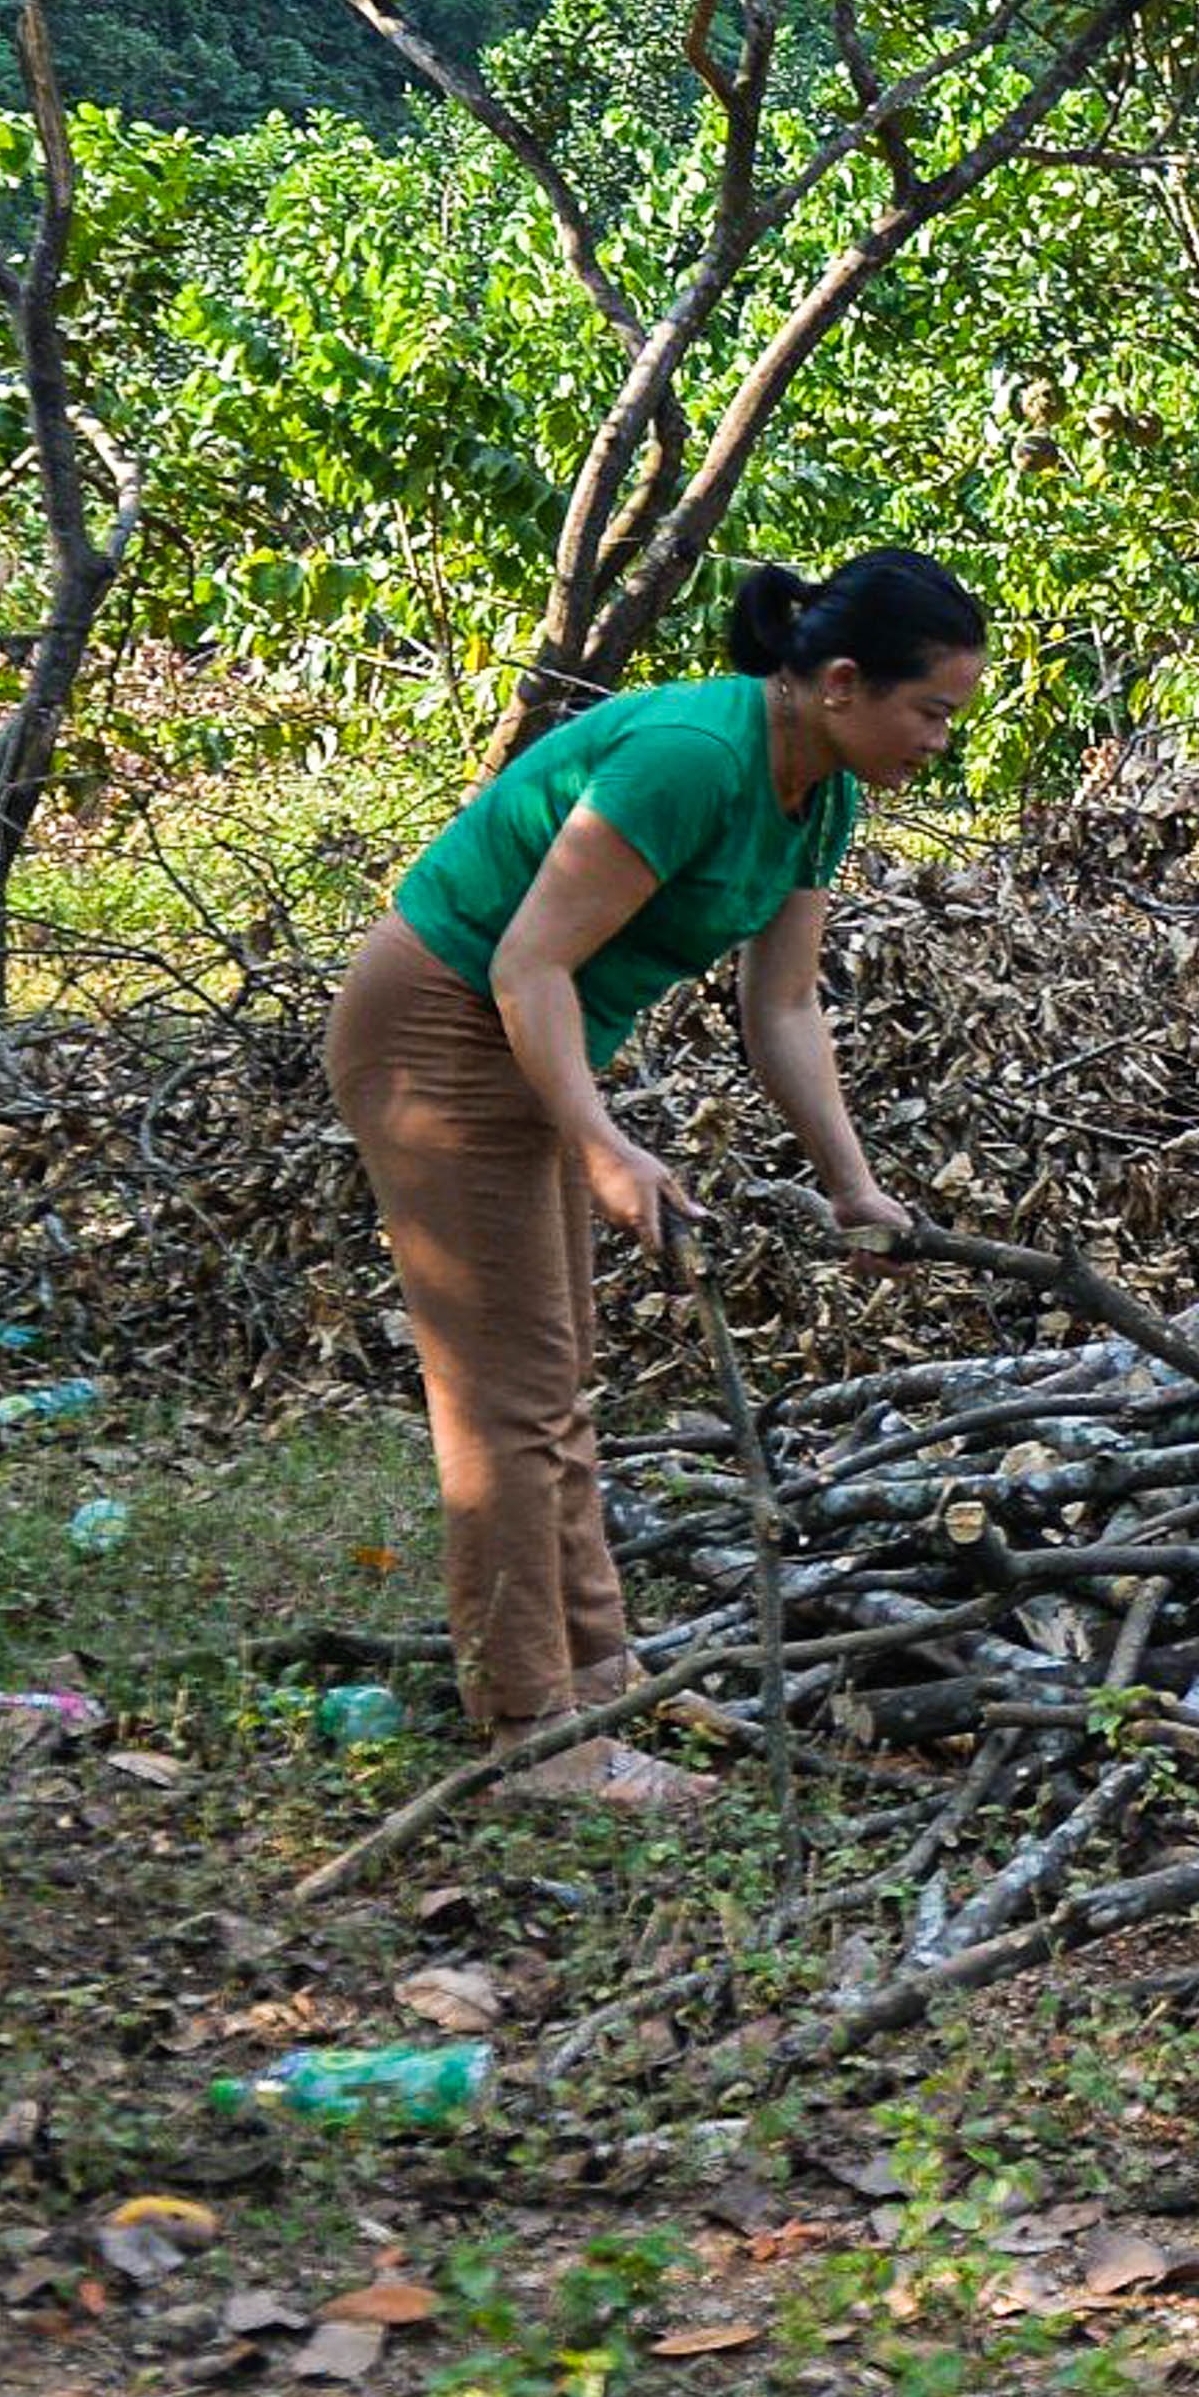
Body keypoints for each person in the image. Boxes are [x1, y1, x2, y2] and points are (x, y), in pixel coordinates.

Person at [327, 550, 988, 1802]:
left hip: (524, 1031)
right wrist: (602, 1144)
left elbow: (782, 1006)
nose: (940, 741)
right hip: (438, 1021)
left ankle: (602, 1685)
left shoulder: (820, 793)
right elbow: (527, 964)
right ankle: (532, 1733)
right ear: (842, 682)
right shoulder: (694, 755)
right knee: (512, 1394)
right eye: (932, 711)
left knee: (557, 1374)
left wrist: (852, 1182)